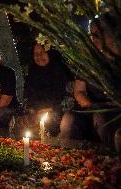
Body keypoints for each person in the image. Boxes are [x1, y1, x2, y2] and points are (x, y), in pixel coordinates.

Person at [73, 14, 121, 147]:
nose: (94, 38)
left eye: (97, 34)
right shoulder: (89, 61)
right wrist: (93, 107)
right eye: (92, 34)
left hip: (117, 107)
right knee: (102, 119)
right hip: (98, 107)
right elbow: (78, 91)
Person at [24, 43, 74, 137]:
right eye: (36, 53)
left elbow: (67, 96)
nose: (39, 56)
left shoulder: (61, 71)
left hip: (58, 110)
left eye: (43, 52)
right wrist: (32, 110)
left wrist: (50, 109)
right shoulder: (33, 72)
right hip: (36, 111)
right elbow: (29, 95)